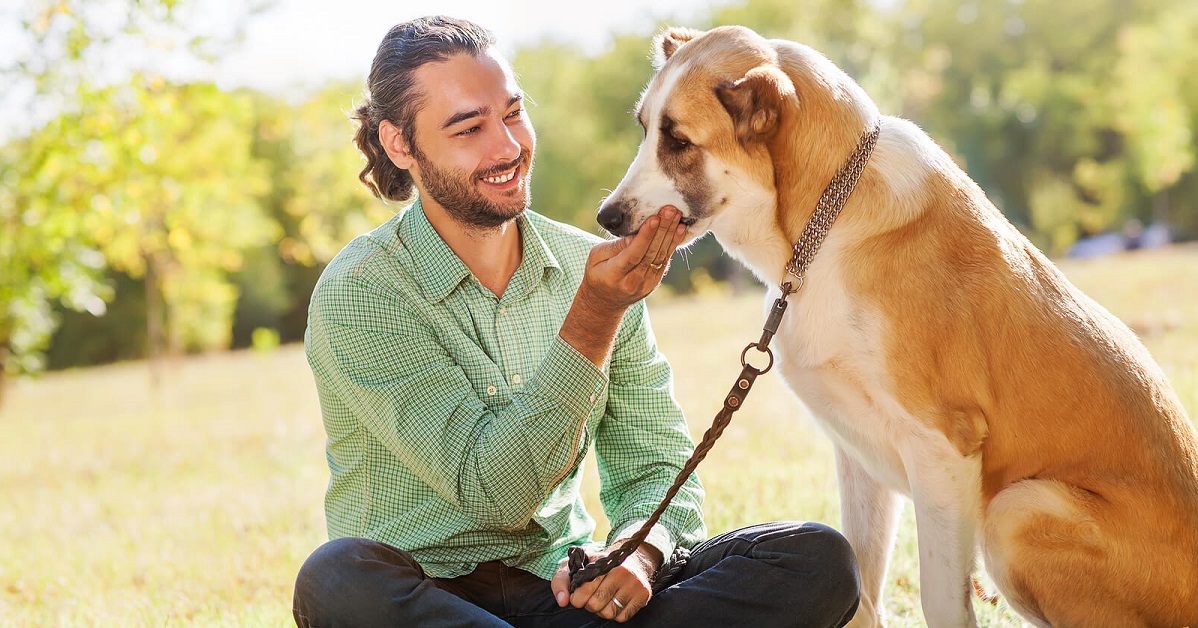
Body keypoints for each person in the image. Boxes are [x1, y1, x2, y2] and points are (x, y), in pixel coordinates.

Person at [292, 15, 861, 628]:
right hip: (431, 601)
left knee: (814, 559)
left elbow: (654, 465)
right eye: (468, 128)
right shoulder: (362, 291)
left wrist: (640, 551)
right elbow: (492, 494)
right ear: (400, 145)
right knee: (335, 579)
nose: (508, 148)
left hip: (564, 599)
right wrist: (593, 317)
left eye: (511, 114)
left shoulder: (583, 265)